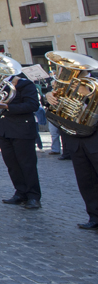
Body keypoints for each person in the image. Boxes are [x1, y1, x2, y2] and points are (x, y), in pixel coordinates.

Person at [0, 65, 42, 210]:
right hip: (3, 129)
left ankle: (33, 196)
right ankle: (20, 192)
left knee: (27, 164)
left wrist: (7, 107)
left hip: (22, 128)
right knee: (12, 165)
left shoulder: (24, 84)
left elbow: (32, 105)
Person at [47, 76, 98, 229]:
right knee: (86, 182)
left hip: (95, 139)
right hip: (75, 141)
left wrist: (89, 95)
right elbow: (55, 110)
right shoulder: (67, 87)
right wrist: (49, 96)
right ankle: (95, 217)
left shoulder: (94, 84)